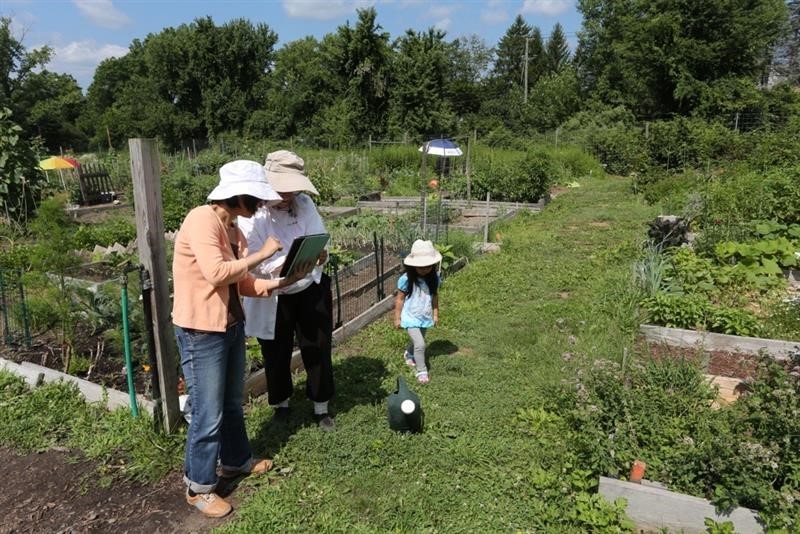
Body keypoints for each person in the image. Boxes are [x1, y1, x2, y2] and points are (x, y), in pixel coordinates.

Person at [172, 160, 309, 518]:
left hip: (230, 326)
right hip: (201, 331)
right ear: (238, 195)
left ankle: (235, 461)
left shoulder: (233, 227)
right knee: (207, 412)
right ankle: (198, 487)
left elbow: (241, 282)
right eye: (257, 198)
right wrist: (264, 254)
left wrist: (281, 282)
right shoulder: (201, 219)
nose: (262, 205)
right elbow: (217, 273)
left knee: (232, 402)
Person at [238, 150, 336, 431]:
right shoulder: (253, 214)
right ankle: (281, 404)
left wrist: (319, 255)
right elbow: (254, 259)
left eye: (293, 188)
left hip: (308, 287)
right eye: (283, 188)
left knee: (317, 346)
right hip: (273, 294)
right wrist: (285, 265)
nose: (289, 194)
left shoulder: (304, 204)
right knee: (275, 351)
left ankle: (321, 406)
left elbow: (319, 237)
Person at [394, 240, 442, 384]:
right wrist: (397, 318)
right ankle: (422, 370)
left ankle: (409, 353)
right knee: (420, 344)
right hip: (410, 317)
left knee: (418, 340)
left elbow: (434, 297)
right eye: (421, 267)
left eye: (428, 267)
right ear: (412, 266)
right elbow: (400, 300)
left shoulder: (434, 279)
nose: (424, 270)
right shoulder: (406, 279)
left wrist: (435, 313)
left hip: (424, 316)